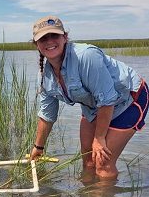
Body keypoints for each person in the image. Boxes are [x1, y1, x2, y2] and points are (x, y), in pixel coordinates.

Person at [30, 15, 149, 181]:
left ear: (65, 37)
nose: (49, 41)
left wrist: (99, 138)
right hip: (95, 105)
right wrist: (38, 147)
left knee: (103, 164)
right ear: (36, 44)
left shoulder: (86, 56)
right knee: (88, 161)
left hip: (128, 99)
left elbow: (108, 100)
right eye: (43, 38)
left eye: (54, 35)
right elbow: (47, 114)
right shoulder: (44, 76)